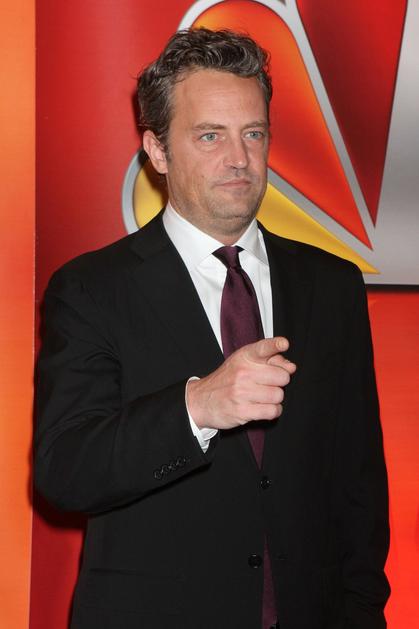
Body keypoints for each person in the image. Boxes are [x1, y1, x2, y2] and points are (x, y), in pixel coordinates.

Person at [35, 28, 390, 629]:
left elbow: (359, 485)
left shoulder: (333, 286)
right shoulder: (92, 289)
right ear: (157, 151)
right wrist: (197, 406)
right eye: (209, 136)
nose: (239, 158)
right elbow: (67, 470)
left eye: (253, 133)